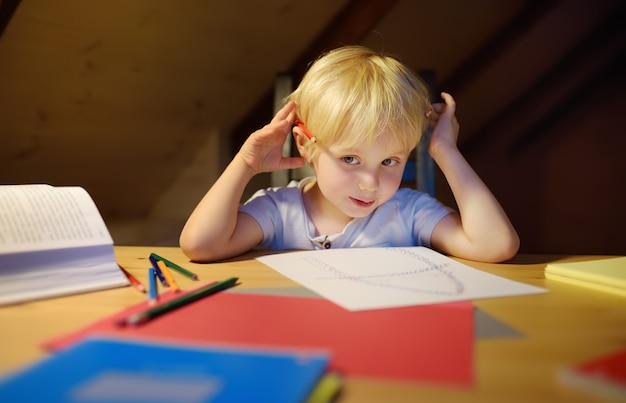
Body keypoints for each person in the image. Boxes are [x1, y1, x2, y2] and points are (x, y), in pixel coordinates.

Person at [180, 45, 519, 263]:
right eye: (350, 159)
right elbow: (200, 246)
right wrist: (245, 163)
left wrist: (445, 151)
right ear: (304, 144)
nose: (371, 183)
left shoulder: (409, 212)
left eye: (390, 161)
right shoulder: (279, 210)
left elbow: (496, 246)